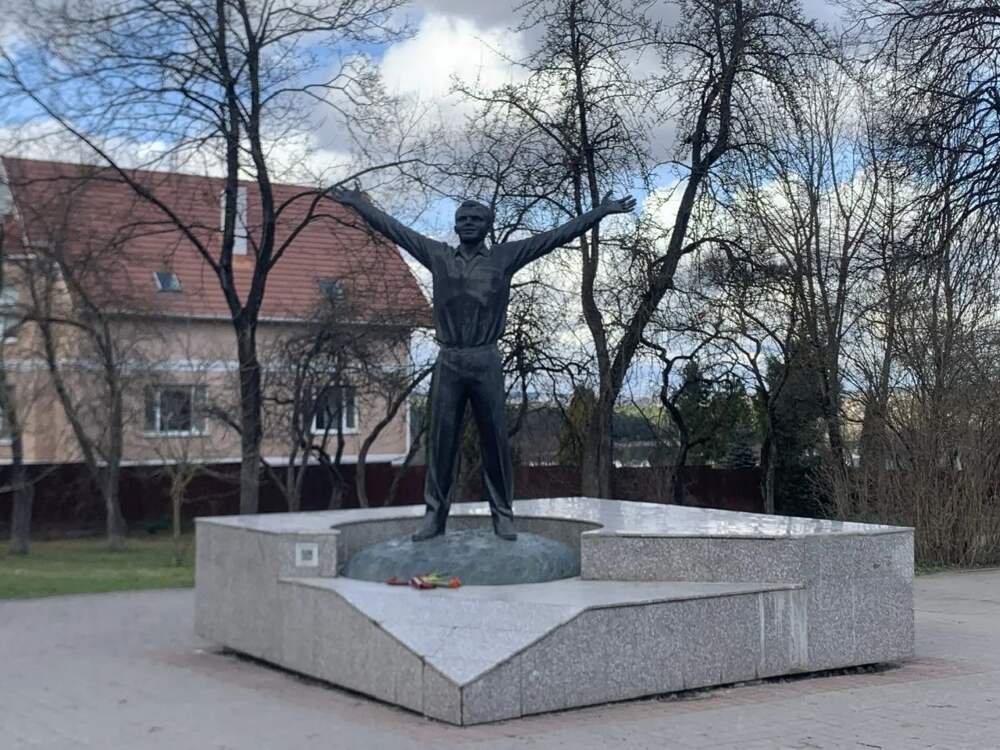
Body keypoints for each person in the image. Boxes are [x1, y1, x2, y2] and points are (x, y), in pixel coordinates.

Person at [329, 185, 636, 541]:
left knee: (494, 442)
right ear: (455, 226)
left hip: (485, 359)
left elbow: (553, 237)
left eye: (476, 219)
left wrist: (599, 212)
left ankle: (502, 515)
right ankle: (434, 517)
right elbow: (396, 229)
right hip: (449, 360)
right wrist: (359, 205)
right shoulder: (438, 255)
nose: (469, 223)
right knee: (441, 443)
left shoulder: (503, 258)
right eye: (463, 219)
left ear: (488, 225)